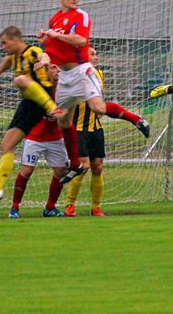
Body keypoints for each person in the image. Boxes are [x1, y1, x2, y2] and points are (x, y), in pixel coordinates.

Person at [35, 0, 150, 184]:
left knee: (97, 107)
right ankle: (76, 164)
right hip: (65, 75)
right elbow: (51, 50)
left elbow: (80, 41)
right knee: (62, 121)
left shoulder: (81, 15)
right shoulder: (55, 19)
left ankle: (136, 119)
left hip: (81, 70)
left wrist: (56, 35)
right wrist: (42, 59)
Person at [0, 26, 64, 205]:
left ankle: (52, 107)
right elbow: (8, 60)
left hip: (42, 99)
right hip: (28, 104)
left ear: (16, 40)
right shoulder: (14, 56)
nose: (2, 47)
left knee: (20, 79)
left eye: (4, 43)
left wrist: (45, 62)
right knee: (6, 144)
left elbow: (43, 55)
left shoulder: (31, 51)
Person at [8, 65, 67, 219]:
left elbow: (70, 109)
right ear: (46, 71)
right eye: (54, 68)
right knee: (26, 171)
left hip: (55, 137)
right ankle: (14, 207)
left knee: (61, 173)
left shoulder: (64, 89)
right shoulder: (38, 88)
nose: (58, 71)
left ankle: (50, 208)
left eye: (59, 68)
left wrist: (62, 115)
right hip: (35, 136)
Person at [65, 47, 107, 217]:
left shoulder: (99, 75)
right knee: (83, 166)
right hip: (78, 129)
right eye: (92, 54)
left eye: (96, 53)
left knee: (97, 167)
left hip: (96, 129)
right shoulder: (75, 75)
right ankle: (69, 205)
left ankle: (96, 207)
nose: (96, 57)